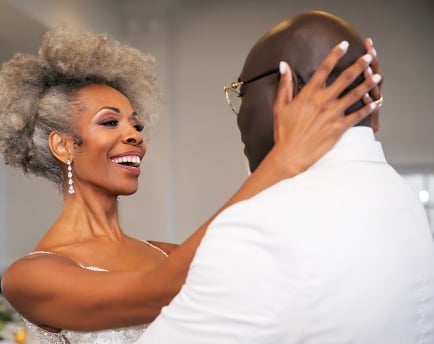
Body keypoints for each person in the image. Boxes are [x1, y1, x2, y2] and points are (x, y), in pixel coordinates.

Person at [0, 24, 382, 343]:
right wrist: (283, 158)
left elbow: (279, 256)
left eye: (136, 124)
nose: (135, 135)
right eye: (110, 122)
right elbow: (156, 292)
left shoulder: (165, 255)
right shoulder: (29, 277)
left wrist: (359, 129)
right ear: (62, 145)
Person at [136, 10, 434, 344]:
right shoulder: (402, 200)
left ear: (287, 88)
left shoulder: (261, 228)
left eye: (241, 93)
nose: (239, 116)